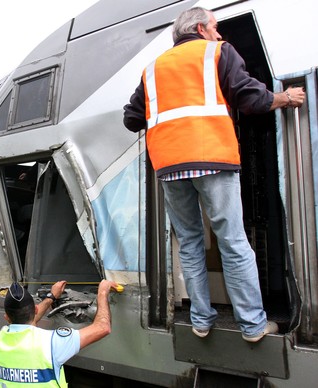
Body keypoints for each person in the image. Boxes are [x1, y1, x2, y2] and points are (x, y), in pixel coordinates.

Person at [123, 7, 305, 343]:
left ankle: (201, 322)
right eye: (216, 27)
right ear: (203, 28)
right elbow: (249, 98)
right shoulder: (217, 52)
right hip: (211, 157)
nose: (220, 34)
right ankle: (252, 326)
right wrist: (284, 97)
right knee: (233, 242)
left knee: (190, 244)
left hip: (169, 166)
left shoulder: (152, 68)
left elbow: (132, 119)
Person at [0, 279, 119, 387]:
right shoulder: (51, 343)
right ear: (35, 309)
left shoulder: (0, 340)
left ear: (6, 317)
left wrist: (51, 297)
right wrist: (102, 292)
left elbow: (26, 322)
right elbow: (103, 327)